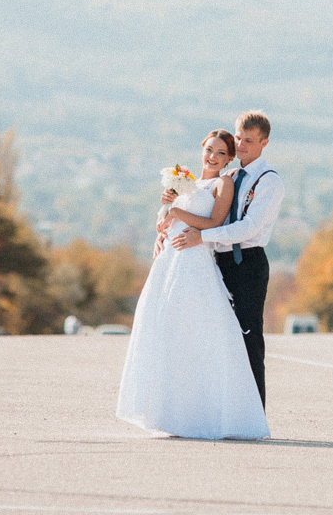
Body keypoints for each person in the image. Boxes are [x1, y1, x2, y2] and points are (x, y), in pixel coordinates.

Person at [116, 129, 269, 440]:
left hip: (195, 261)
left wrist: (177, 211)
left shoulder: (222, 183)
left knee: (195, 331)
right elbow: (167, 221)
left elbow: (214, 221)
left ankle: (204, 413)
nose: (213, 157)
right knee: (166, 329)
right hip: (170, 259)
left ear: (228, 159)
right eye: (209, 150)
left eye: (221, 154)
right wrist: (162, 222)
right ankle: (169, 411)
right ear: (202, 149)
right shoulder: (187, 181)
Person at [171, 110, 284, 408]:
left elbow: (248, 228)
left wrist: (201, 237)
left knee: (248, 337)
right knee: (218, 336)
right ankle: (222, 407)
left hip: (247, 263)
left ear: (264, 142)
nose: (242, 145)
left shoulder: (268, 181)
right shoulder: (230, 176)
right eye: (238, 138)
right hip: (217, 261)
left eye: (249, 140)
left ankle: (253, 411)